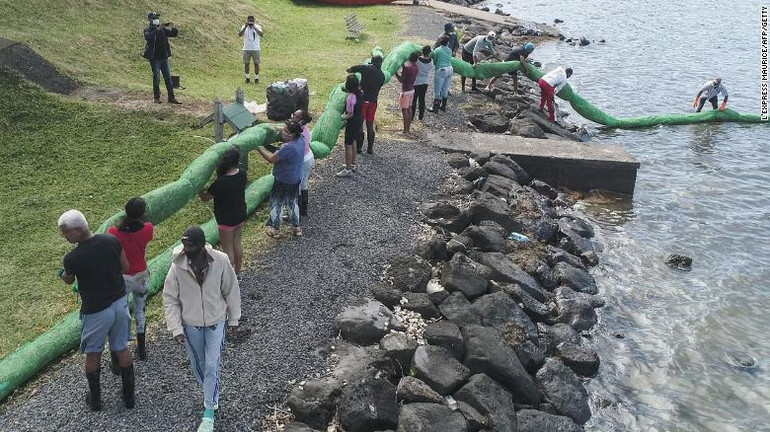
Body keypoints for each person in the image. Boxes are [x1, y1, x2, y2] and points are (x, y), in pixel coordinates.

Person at [163, 226, 240, 432]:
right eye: (184, 245)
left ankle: (208, 413)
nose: (186, 248)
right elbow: (170, 298)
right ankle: (210, 391)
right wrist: (176, 328)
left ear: (200, 245)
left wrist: (233, 319)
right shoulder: (177, 266)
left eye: (190, 245)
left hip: (217, 322)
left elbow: (231, 290)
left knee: (212, 365)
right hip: (191, 326)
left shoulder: (221, 261)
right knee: (200, 365)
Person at [58, 210, 134, 411]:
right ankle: (129, 397)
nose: (64, 237)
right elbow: (125, 267)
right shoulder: (111, 240)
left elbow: (69, 279)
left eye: (66, 233)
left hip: (96, 311)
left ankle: (96, 401)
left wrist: (62, 274)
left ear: (78, 230)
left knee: (93, 353)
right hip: (119, 303)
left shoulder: (72, 258)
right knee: (121, 347)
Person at [108, 197, 154, 361]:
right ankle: (141, 351)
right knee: (140, 312)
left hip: (123, 277)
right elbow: (147, 229)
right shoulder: (148, 229)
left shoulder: (113, 232)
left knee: (120, 314)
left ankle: (117, 355)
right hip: (141, 275)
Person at [199, 147, 248, 273]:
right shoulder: (242, 174)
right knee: (237, 243)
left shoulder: (220, 182)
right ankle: (238, 271)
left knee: (227, 249)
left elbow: (206, 198)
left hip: (226, 219)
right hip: (241, 214)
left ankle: (230, 276)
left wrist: (199, 190)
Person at [258, 120, 305, 237]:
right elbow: (279, 152)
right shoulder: (301, 140)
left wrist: (259, 148)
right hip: (295, 178)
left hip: (283, 179)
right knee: (293, 202)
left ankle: (275, 229)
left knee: (277, 203)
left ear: (292, 134)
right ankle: (297, 228)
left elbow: (272, 159)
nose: (282, 132)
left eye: (285, 130)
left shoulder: (287, 147)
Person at [346, 56, 386, 154]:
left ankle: (359, 148)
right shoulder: (382, 75)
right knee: (369, 124)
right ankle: (370, 148)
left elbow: (350, 68)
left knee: (360, 124)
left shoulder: (366, 68)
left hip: (362, 100)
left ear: (371, 61)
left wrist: (354, 80)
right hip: (373, 102)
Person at [142, 11, 181, 104]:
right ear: (150, 19)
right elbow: (148, 37)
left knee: (168, 78)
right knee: (157, 78)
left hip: (164, 58)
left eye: (157, 18)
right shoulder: (148, 30)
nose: (156, 20)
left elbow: (174, 34)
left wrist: (172, 27)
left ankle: (171, 98)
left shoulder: (163, 30)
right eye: (154, 18)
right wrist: (157, 30)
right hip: (155, 59)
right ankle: (156, 98)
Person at [337, 75, 364, 178]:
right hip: (360, 119)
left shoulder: (350, 98)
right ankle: (352, 164)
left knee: (348, 144)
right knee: (354, 141)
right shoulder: (360, 92)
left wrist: (340, 118)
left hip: (353, 122)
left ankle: (347, 169)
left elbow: (349, 114)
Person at [290, 109, 315, 217]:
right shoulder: (305, 129)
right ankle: (303, 210)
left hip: (303, 161)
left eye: (295, 115)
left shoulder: (298, 133)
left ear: (300, 121)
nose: (292, 116)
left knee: (297, 186)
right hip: (309, 158)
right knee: (304, 183)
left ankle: (296, 213)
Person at [394, 52, 419, 135]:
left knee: (404, 110)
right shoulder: (416, 67)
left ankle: (405, 131)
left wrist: (395, 73)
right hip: (412, 90)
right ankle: (408, 129)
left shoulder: (407, 68)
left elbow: (401, 80)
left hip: (406, 91)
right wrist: (403, 67)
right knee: (409, 109)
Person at [427, 36, 453, 113]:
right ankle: (443, 106)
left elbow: (435, 62)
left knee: (437, 90)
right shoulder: (450, 50)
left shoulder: (437, 51)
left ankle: (435, 108)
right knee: (445, 88)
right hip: (450, 69)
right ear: (447, 43)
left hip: (441, 70)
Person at [238, 15, 264, 84]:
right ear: (247, 20)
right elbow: (240, 35)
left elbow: (261, 34)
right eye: (249, 20)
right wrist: (246, 27)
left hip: (256, 48)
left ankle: (256, 78)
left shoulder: (258, 26)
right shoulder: (244, 26)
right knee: (246, 63)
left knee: (256, 64)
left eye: (252, 20)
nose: (251, 22)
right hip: (246, 48)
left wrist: (254, 28)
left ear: (254, 21)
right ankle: (247, 78)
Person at [412, 45, 433, 121]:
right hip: (425, 82)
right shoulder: (431, 61)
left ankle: (412, 116)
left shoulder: (418, 60)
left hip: (416, 82)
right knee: (422, 99)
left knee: (414, 100)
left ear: (422, 51)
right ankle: (421, 116)